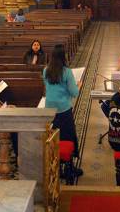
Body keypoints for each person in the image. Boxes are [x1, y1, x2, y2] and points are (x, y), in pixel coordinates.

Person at [43, 44, 83, 177]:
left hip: (49, 108)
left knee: (52, 136)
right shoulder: (66, 72)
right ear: (63, 57)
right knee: (68, 137)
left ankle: (55, 165)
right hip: (63, 109)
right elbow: (74, 92)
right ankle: (69, 168)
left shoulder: (46, 70)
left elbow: (48, 88)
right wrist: (78, 85)